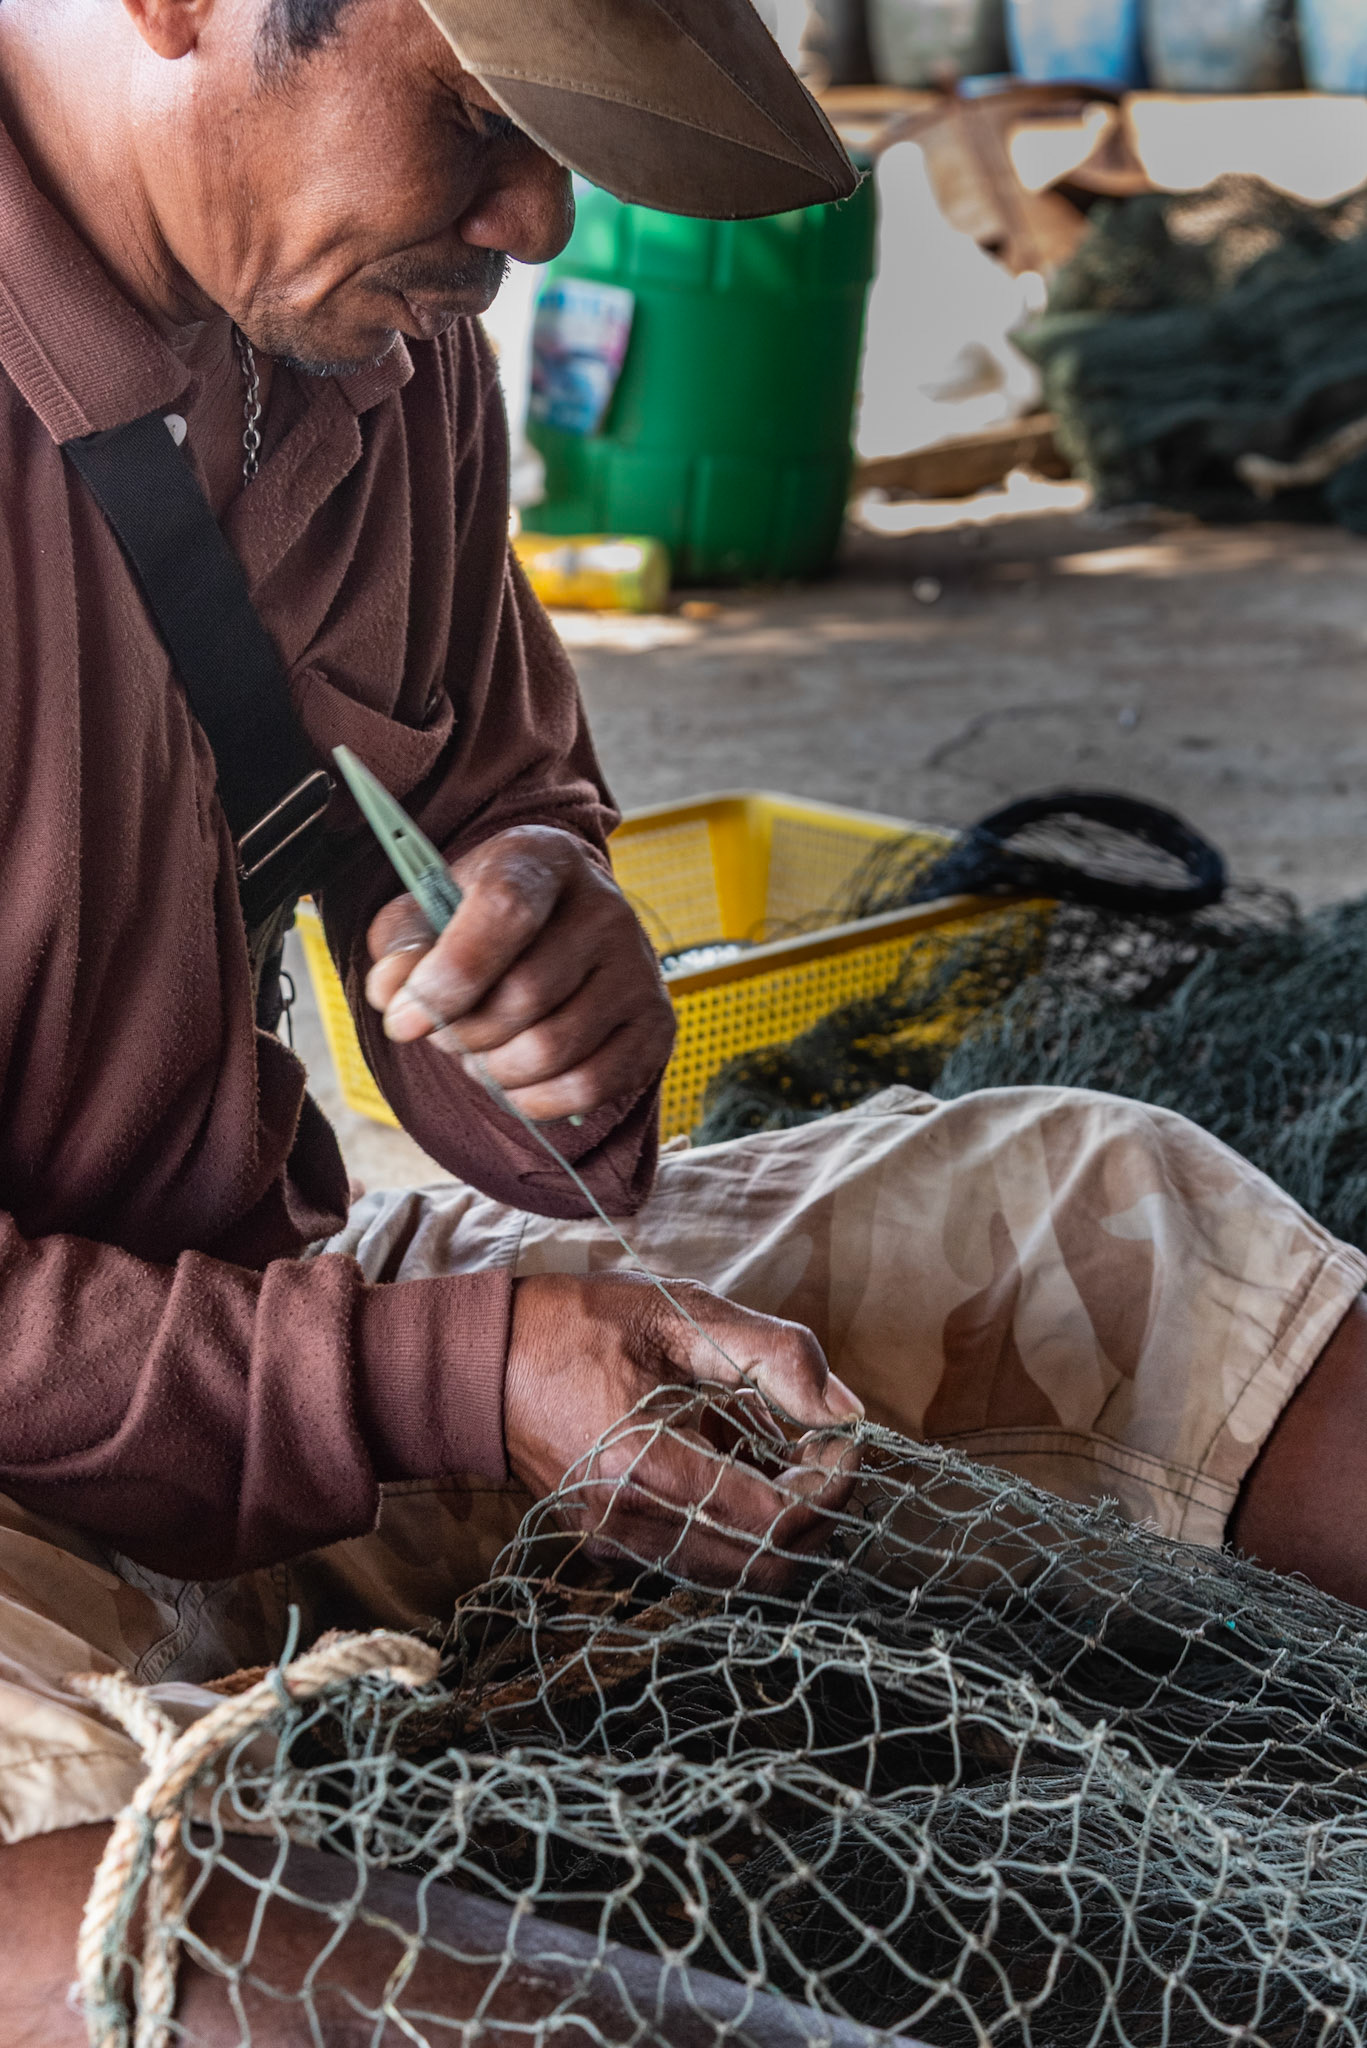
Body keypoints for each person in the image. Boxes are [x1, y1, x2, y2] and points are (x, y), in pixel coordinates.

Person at [1, 0, 1366, 2033]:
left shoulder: (381, 344)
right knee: (128, 1906)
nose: (539, 216)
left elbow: (497, 816)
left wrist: (559, 976)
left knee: (1099, 1213)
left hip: (270, 1353)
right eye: (478, 112)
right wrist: (447, 1372)